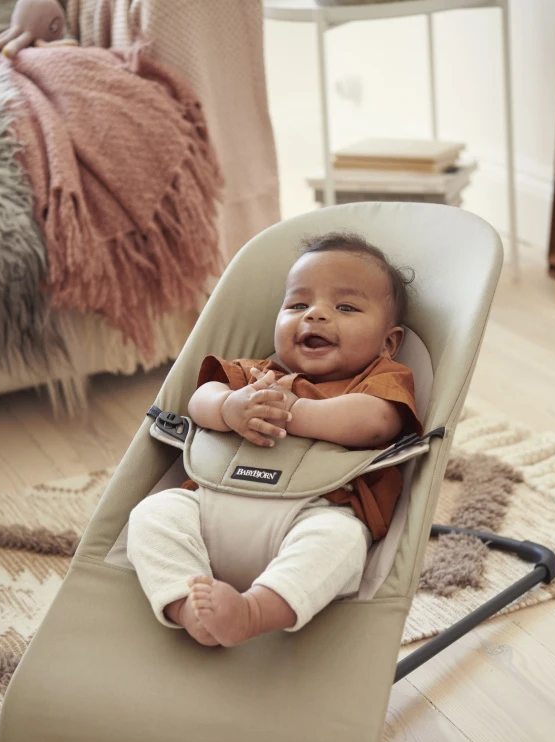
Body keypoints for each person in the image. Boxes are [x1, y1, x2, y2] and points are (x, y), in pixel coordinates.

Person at [127, 232, 422, 647]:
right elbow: (199, 400)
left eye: (346, 307)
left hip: (313, 513)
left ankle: (253, 612)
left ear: (389, 342)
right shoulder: (255, 374)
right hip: (211, 507)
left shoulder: (379, 380)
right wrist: (229, 406)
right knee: (153, 514)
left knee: (340, 542)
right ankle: (188, 606)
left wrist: (294, 412)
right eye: (298, 305)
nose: (315, 315)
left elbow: (376, 423)